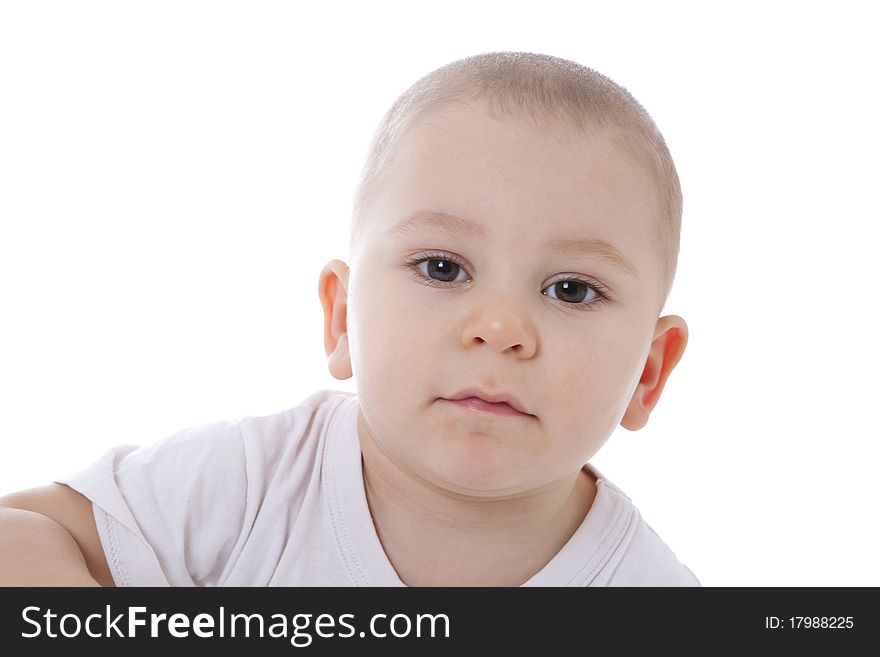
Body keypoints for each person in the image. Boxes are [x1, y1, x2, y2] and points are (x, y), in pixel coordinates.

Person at [0, 51, 697, 587]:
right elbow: (19, 530)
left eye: (572, 289)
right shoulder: (252, 486)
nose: (500, 326)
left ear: (649, 369)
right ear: (341, 318)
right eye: (443, 268)